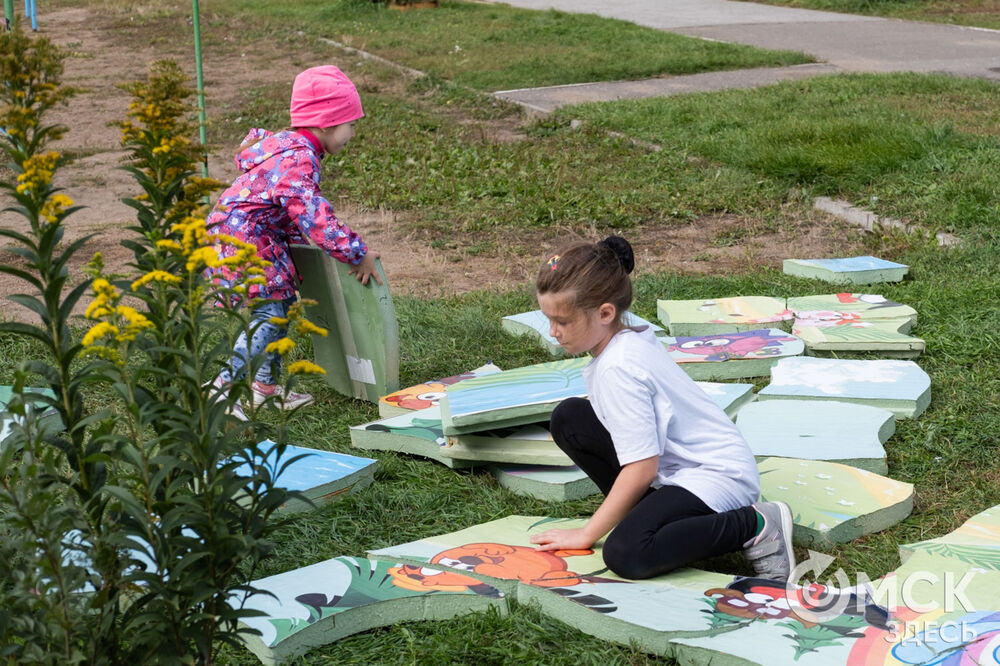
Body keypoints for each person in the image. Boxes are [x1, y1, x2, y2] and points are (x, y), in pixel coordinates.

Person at [528, 237, 796, 582]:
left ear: (605, 313)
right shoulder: (625, 336)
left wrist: (587, 532)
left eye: (562, 321)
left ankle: (756, 524)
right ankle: (653, 519)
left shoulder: (619, 368)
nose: (553, 332)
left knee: (626, 552)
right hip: (676, 468)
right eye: (548, 319)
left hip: (715, 474)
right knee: (570, 418)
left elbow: (641, 467)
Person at [206, 65, 381, 418]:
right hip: (248, 240)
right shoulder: (299, 159)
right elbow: (316, 219)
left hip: (247, 236)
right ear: (327, 122)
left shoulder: (291, 150)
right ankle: (222, 388)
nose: (353, 133)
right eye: (350, 123)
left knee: (278, 311)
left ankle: (264, 390)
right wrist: (357, 253)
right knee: (269, 317)